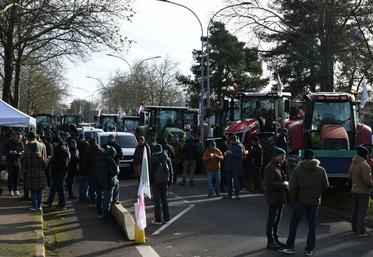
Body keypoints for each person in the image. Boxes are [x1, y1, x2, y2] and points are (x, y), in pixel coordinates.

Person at [279, 149, 329, 256]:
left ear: (302, 157)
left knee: (294, 224)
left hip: (301, 201)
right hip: (315, 201)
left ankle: (290, 246)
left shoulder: (297, 170)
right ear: (313, 157)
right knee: (312, 226)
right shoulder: (321, 170)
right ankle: (309, 249)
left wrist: (294, 199)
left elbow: (292, 188)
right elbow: (326, 186)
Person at [264, 147, 288, 250]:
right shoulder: (270, 168)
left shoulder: (279, 166)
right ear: (276, 156)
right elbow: (269, 184)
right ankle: (270, 241)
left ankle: (276, 239)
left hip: (280, 198)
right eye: (282, 156)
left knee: (277, 220)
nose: (284, 159)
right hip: (273, 198)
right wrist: (284, 184)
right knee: (271, 220)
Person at [348, 146, 373, 237]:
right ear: (364, 155)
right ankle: (362, 231)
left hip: (354, 190)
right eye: (367, 154)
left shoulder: (353, 163)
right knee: (362, 212)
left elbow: (349, 176)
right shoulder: (364, 165)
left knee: (354, 211)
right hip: (363, 192)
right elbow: (367, 181)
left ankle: (354, 228)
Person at [95, 145, 120, 223]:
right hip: (108, 183)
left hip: (99, 181)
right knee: (107, 201)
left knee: (100, 198)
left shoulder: (99, 159)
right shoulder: (110, 160)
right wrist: (118, 169)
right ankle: (105, 218)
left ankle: (100, 213)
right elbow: (114, 172)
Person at [150, 144, 173, 225]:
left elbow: (150, 172)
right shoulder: (167, 158)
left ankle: (158, 220)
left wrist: (150, 183)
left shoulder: (153, 159)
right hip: (165, 182)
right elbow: (171, 171)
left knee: (157, 201)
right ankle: (166, 218)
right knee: (164, 200)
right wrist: (170, 182)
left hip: (156, 182)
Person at [46, 136, 70, 209]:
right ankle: (58, 203)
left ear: (57, 142)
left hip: (60, 172)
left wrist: (51, 160)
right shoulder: (60, 149)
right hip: (59, 171)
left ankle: (62, 204)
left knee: (60, 188)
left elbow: (61, 162)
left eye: (54, 142)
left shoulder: (61, 150)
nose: (53, 144)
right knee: (57, 188)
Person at [81, 137, 102, 208]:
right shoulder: (99, 150)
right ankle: (98, 202)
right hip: (98, 172)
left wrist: (82, 172)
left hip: (90, 172)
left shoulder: (87, 151)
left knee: (91, 188)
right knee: (98, 188)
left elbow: (84, 163)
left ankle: (93, 202)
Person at [25, 143, 47, 211]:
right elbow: (45, 166)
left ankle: (33, 206)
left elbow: (25, 166)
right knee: (39, 191)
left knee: (33, 192)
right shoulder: (41, 157)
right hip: (40, 176)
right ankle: (39, 206)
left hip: (31, 176)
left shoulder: (28, 157)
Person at [4, 131, 24, 196]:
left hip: (18, 161)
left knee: (17, 176)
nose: (18, 139)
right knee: (11, 176)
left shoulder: (21, 143)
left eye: (20, 138)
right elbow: (4, 150)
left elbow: (23, 151)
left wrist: (21, 153)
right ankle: (11, 190)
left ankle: (16, 189)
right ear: (14, 136)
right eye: (17, 137)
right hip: (10, 161)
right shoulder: (9, 143)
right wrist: (10, 151)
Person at [224, 135, 244, 200]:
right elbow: (228, 155)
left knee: (236, 181)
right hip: (229, 166)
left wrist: (231, 153)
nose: (230, 141)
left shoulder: (239, 146)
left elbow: (240, 156)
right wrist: (226, 154)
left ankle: (237, 194)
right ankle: (229, 194)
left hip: (235, 166)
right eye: (230, 140)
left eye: (231, 140)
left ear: (234, 140)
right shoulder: (230, 146)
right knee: (229, 181)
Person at [77, 138, 89, 202]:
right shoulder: (86, 150)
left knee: (82, 184)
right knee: (85, 185)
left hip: (81, 168)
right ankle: (84, 197)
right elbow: (85, 162)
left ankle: (81, 197)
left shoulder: (80, 149)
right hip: (85, 170)